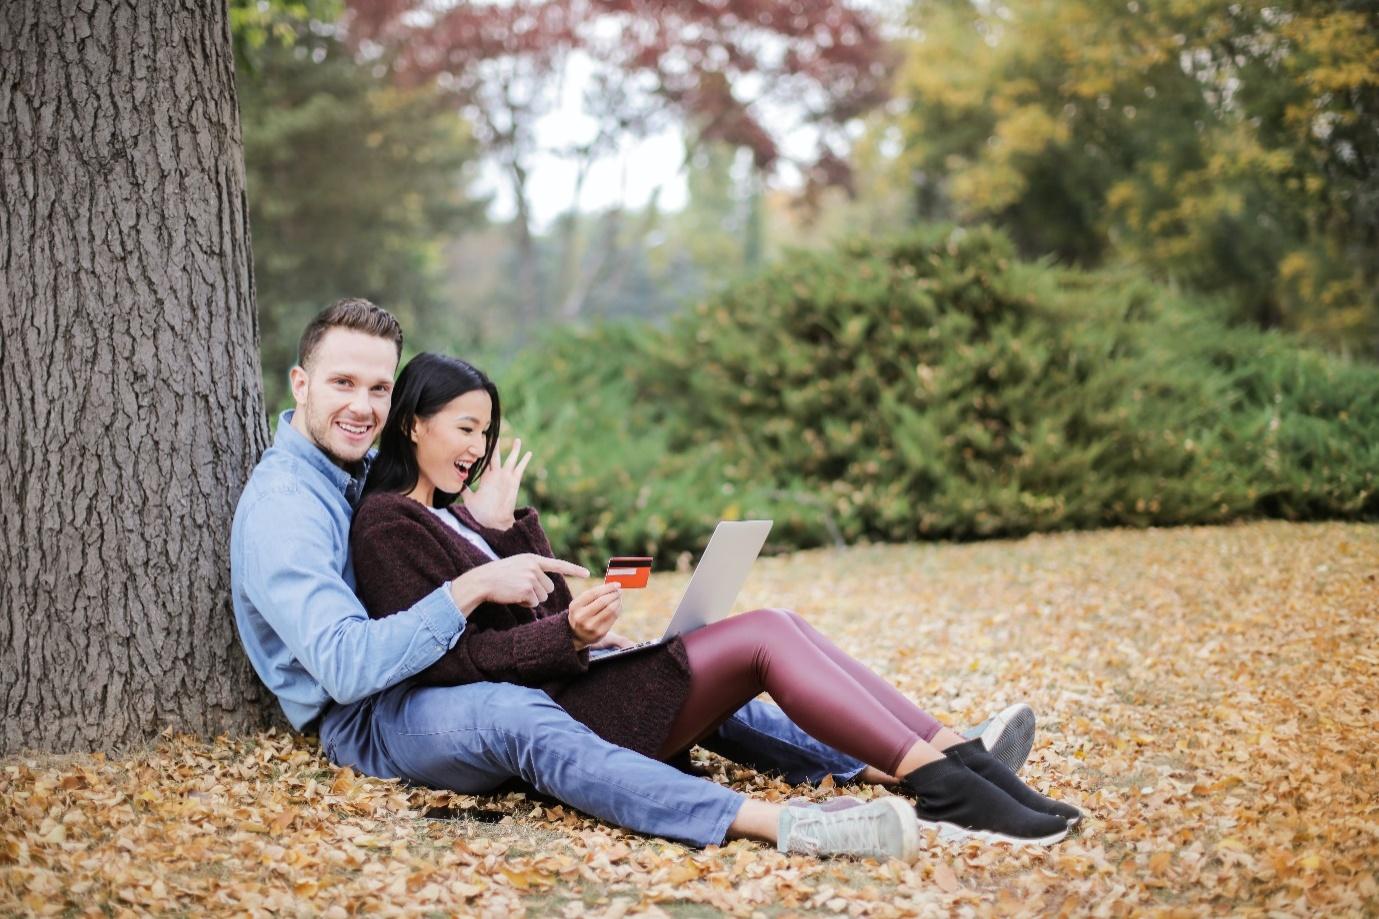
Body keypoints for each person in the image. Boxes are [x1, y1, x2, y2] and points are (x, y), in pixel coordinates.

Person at [234, 299, 981, 861]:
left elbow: (440, 548)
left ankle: (895, 761)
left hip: (431, 672)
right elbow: (343, 664)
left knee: (655, 666)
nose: (361, 406)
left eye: (377, 387)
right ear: (299, 382)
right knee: (513, 713)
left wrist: (495, 531)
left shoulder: (358, 460)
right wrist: (473, 587)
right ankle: (779, 823)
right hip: (369, 714)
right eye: (341, 383)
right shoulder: (284, 509)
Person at [348, 351, 1084, 846]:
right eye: (465, 427)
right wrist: (566, 635)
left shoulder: (457, 515)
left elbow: (536, 617)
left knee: (781, 623)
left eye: (487, 430)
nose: (477, 445)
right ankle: (946, 786)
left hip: (584, 688)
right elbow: (443, 662)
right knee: (763, 632)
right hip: (567, 723)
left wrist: (503, 530)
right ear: (414, 422)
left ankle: (957, 761)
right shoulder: (389, 523)